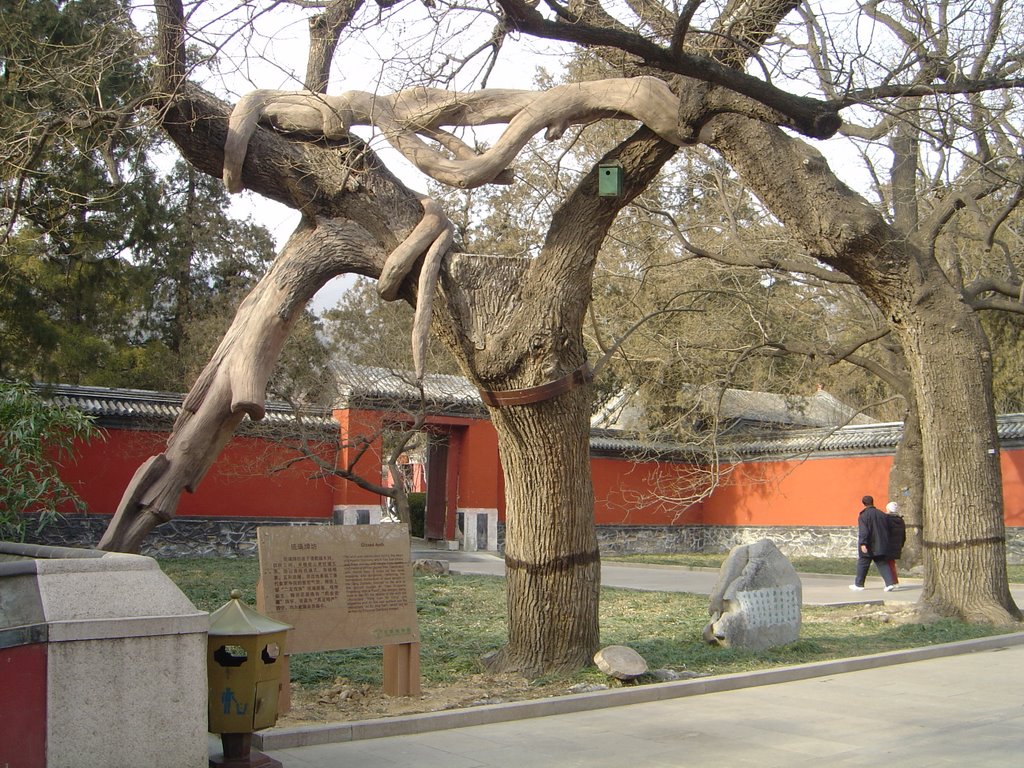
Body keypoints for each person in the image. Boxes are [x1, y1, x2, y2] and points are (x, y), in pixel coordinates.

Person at [850, 495, 897, 591]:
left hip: (869, 544)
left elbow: (864, 531)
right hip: (881, 544)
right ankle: (889, 583)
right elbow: (887, 529)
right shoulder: (881, 514)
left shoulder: (863, 516)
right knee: (882, 563)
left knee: (863, 563)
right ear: (872, 502)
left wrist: (863, 543)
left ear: (863, 503)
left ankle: (859, 584)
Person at [884, 501, 907, 586]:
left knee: (887, 563)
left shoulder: (886, 519)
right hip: (897, 545)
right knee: (891, 563)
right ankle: (894, 581)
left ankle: (892, 581)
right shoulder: (900, 520)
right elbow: (903, 535)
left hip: (888, 544)